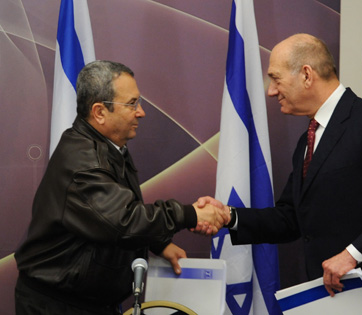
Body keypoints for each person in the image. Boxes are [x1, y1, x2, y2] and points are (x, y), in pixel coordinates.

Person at [198, 33, 362, 315]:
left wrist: (351, 255)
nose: (271, 91)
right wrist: (230, 216)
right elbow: (290, 217)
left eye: (276, 78)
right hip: (333, 301)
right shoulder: (307, 140)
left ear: (307, 75)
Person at [14, 60, 228, 315]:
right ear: (100, 112)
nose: (141, 112)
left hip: (87, 302)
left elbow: (106, 217)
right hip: (58, 307)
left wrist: (158, 243)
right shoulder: (84, 162)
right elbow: (123, 221)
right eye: (131, 104)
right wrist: (190, 214)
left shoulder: (107, 146)